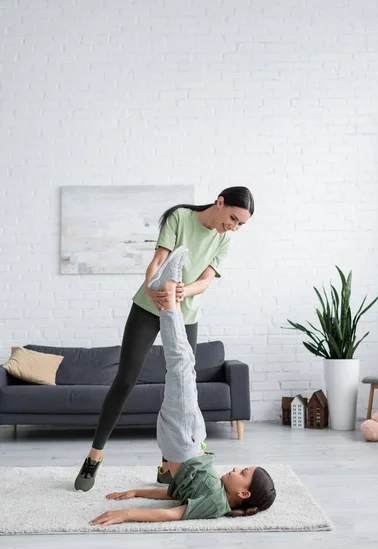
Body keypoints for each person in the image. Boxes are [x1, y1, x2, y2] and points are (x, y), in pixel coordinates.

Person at [74, 186, 255, 492]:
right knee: (126, 379)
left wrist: (185, 291)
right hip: (149, 305)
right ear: (220, 202)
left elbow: (206, 280)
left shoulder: (224, 240)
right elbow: (159, 261)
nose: (234, 227)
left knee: (180, 386)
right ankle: (94, 456)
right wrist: (149, 286)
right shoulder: (180, 218)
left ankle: (167, 464)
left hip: (185, 313)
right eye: (233, 218)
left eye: (241, 224)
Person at [89, 248, 276, 526]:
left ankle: (168, 288)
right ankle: (168, 291)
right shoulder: (215, 495)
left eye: (243, 471)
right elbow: (175, 494)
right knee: (183, 362)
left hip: (185, 440)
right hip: (188, 439)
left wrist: (127, 514)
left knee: (182, 362)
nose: (237, 467)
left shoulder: (215, 503)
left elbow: (174, 513)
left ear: (243, 492)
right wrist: (136, 492)